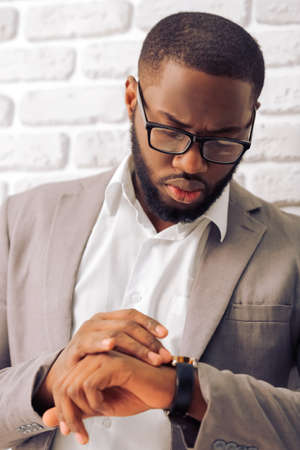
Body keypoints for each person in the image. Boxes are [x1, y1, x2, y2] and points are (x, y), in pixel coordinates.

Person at [1, 11, 300, 450]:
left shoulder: (291, 248)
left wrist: (182, 388)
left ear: (251, 119)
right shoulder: (22, 221)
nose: (191, 163)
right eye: (170, 131)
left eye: (223, 139)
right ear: (130, 99)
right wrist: (51, 378)